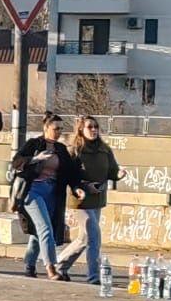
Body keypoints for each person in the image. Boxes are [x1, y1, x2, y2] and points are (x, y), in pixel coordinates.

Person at [11, 114, 79, 277]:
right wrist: (35, 159)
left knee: (39, 231)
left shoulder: (60, 149)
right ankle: (51, 268)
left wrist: (78, 188)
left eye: (61, 129)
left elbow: (70, 173)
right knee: (45, 228)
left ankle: (29, 265)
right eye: (56, 129)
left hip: (52, 193)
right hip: (32, 191)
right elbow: (16, 162)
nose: (58, 132)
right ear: (46, 128)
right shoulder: (34, 144)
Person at [58, 115, 121, 285]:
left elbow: (112, 171)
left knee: (84, 238)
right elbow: (69, 176)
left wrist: (118, 175)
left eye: (96, 127)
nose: (93, 130)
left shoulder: (105, 150)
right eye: (89, 127)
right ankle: (93, 276)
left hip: (97, 199)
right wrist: (85, 187)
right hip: (80, 201)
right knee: (94, 236)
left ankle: (60, 265)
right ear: (81, 130)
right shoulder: (75, 150)